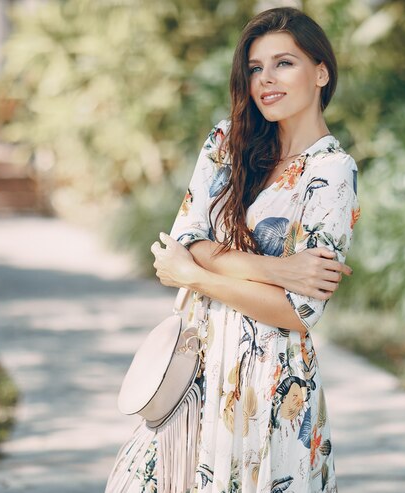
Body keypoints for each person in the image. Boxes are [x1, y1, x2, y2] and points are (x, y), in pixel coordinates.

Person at [107, 6, 360, 493]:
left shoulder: (332, 172)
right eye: (255, 68)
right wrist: (281, 268)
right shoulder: (227, 141)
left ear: (321, 72)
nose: (266, 79)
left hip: (271, 383)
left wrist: (198, 275)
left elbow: (297, 312)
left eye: (284, 63)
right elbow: (185, 240)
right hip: (197, 365)